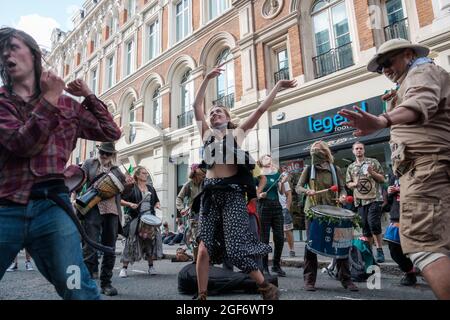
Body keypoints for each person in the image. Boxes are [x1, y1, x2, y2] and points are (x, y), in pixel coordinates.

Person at [0, 27, 121, 299]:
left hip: (53, 210)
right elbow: (24, 143)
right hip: (6, 207)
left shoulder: (69, 106)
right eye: (1, 50)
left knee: (76, 285)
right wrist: (50, 97)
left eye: (13, 46)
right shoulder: (2, 102)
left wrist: (88, 94)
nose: (6, 52)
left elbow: (111, 133)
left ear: (34, 54)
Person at [338, 38, 450, 299]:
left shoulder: (421, 71)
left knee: (423, 244)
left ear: (408, 54)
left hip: (426, 171)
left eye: (388, 62)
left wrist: (382, 119)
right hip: (427, 169)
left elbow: (421, 103)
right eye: (380, 68)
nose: (385, 70)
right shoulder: (414, 77)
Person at [192, 63, 297, 300]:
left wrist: (278, 86)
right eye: (212, 112)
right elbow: (195, 105)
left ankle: (265, 287)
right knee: (203, 249)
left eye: (219, 111)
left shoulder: (236, 133)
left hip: (232, 197)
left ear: (228, 118)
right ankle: (201, 295)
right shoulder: (207, 135)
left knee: (237, 250)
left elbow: (260, 110)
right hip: (210, 196)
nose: (214, 113)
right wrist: (207, 79)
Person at [295, 141, 358, 291]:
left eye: (317, 150)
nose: (314, 152)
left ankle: (346, 279)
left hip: (334, 211)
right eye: (313, 150)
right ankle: (309, 280)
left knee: (341, 245)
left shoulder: (335, 169)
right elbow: (298, 187)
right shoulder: (309, 169)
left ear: (325, 152)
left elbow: (342, 189)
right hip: (313, 211)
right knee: (311, 246)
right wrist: (306, 191)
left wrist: (343, 196)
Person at [80, 141, 133, 296]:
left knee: (110, 248)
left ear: (112, 155)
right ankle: (87, 283)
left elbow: (125, 195)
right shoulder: (89, 163)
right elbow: (79, 182)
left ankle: (106, 284)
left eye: (107, 153)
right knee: (89, 245)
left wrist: (129, 185)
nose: (104, 155)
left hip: (112, 211)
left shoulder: (117, 170)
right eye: (102, 152)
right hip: (93, 209)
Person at [346, 142, 386, 263]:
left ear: (364, 150)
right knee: (365, 228)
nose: (359, 150)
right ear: (353, 151)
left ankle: (379, 249)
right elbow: (348, 183)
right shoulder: (351, 167)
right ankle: (369, 254)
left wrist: (372, 172)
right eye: (356, 149)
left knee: (373, 223)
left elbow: (383, 179)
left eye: (361, 148)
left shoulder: (373, 162)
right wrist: (355, 183)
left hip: (374, 199)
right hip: (360, 201)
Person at [119, 166, 162, 277]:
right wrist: (130, 204)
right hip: (135, 218)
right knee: (130, 242)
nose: (146, 175)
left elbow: (156, 200)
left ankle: (151, 267)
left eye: (147, 173)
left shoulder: (151, 188)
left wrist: (157, 205)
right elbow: (119, 200)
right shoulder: (131, 188)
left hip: (149, 218)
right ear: (137, 175)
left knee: (149, 242)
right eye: (143, 173)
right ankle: (124, 269)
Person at [256, 154, 286, 277]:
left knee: (279, 237)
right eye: (265, 158)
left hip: (276, 206)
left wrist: (282, 182)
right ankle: (264, 267)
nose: (268, 159)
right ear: (260, 161)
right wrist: (259, 195)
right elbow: (253, 192)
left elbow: (281, 192)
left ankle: (276, 265)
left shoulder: (276, 174)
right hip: (263, 206)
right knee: (264, 238)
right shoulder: (258, 176)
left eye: (269, 158)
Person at [385, 174, 417, 286]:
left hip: (417, 214)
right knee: (394, 246)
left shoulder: (417, 170)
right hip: (397, 214)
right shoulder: (394, 177)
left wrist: (401, 189)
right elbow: (389, 201)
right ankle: (409, 271)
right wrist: (389, 192)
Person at [175, 163, 205, 254]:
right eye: (201, 174)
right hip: (194, 214)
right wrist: (181, 209)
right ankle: (196, 260)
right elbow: (179, 198)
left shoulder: (205, 183)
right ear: (195, 173)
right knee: (196, 237)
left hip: (204, 212)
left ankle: (205, 259)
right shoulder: (188, 185)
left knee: (205, 237)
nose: (204, 175)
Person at [278, 172, 295, 257]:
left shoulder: (283, 180)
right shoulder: (265, 179)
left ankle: (292, 249)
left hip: (283, 208)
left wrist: (287, 208)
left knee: (287, 230)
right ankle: (278, 252)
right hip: (273, 208)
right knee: (277, 231)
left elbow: (289, 194)